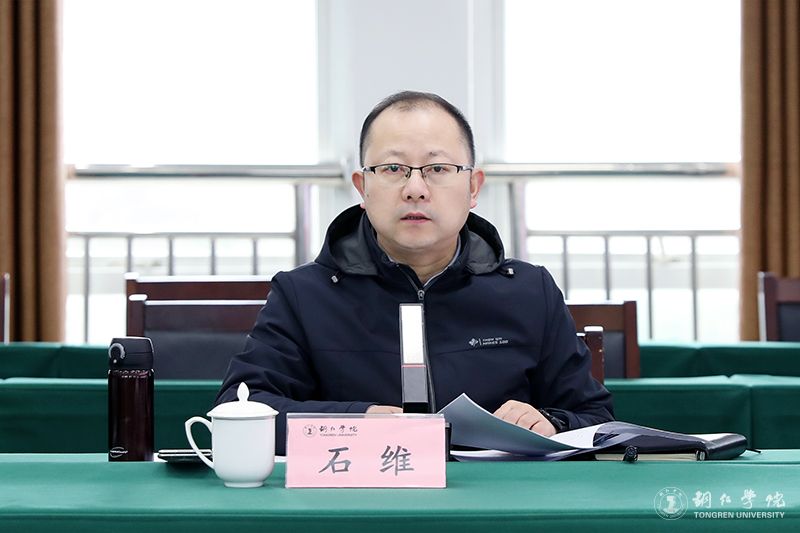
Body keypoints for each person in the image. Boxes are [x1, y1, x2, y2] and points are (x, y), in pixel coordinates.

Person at [216, 91, 613, 454]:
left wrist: (552, 422)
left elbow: (596, 419)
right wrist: (357, 422)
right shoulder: (304, 295)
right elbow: (240, 407)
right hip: (357, 496)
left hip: (494, 498)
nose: (416, 189)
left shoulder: (529, 291)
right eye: (393, 168)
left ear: (473, 187)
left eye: (438, 168)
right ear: (363, 187)